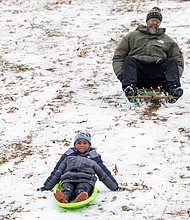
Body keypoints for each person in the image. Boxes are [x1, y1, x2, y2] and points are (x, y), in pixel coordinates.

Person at [112, 6, 184, 102]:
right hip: (138, 75)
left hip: (158, 75)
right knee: (129, 60)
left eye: (157, 22)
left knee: (171, 61)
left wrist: (174, 77)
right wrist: (123, 76)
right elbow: (118, 57)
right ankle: (130, 88)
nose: (154, 24)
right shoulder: (132, 37)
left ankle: (173, 88)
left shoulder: (167, 41)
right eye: (152, 21)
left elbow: (178, 62)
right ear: (147, 22)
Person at [37, 132, 127, 203]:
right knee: (67, 189)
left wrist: (115, 187)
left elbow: (103, 173)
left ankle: (81, 197)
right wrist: (46, 187)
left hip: (86, 180)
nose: (82, 145)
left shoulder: (93, 157)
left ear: (89, 145)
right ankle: (63, 198)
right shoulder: (68, 155)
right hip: (68, 179)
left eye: (85, 143)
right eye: (79, 143)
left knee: (82, 189)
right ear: (74, 144)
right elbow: (57, 171)